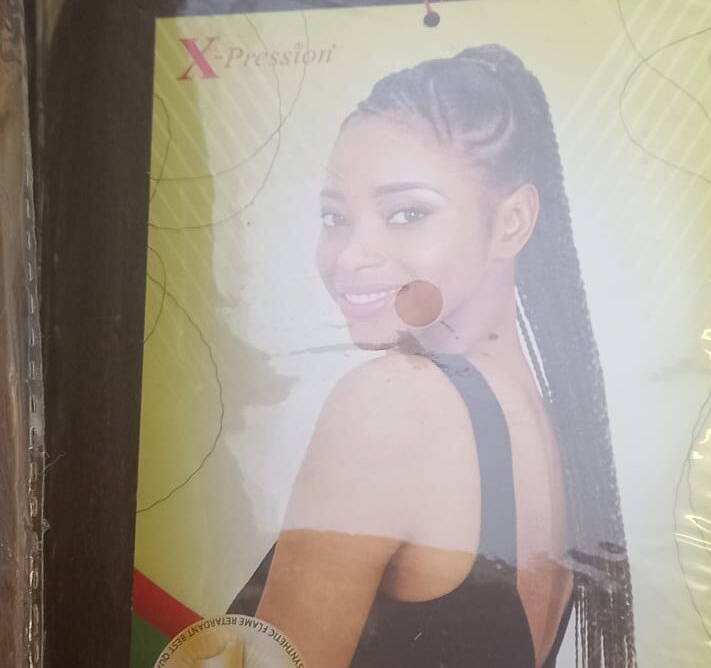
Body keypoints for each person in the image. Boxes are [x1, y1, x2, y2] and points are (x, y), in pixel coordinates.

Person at [228, 43, 635, 668]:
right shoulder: (544, 425)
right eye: (335, 216)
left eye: (407, 213)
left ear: (512, 222)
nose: (350, 256)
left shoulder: (393, 403)